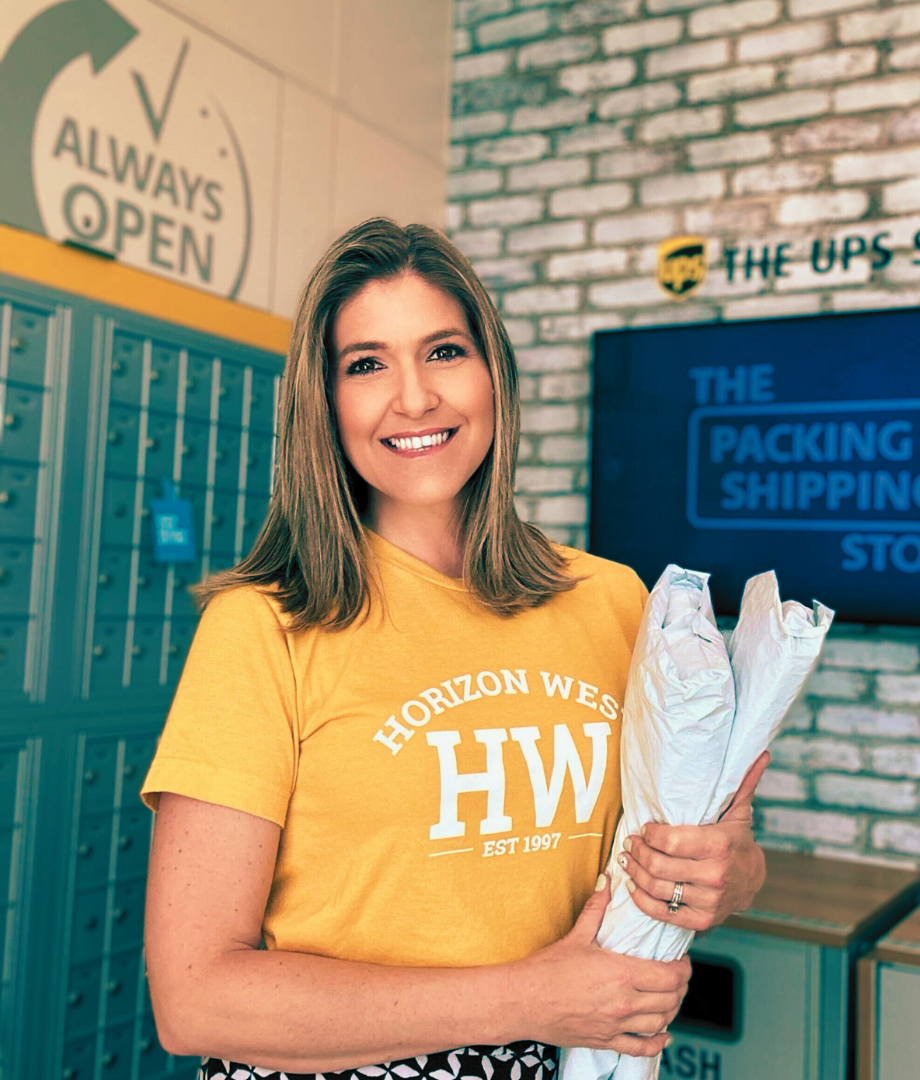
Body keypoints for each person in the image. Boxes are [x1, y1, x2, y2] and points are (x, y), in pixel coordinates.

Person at [141, 218, 769, 1078]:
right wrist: (528, 998)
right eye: (366, 364)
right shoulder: (264, 626)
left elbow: (677, 857)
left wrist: (731, 873)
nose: (414, 398)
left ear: (493, 373)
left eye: (443, 351)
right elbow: (194, 1001)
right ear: (323, 402)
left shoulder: (615, 602)